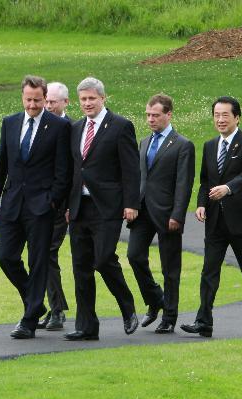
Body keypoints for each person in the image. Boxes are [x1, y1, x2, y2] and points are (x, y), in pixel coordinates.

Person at [0, 75, 71, 339]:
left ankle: (29, 320)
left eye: (37, 100)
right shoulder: (10, 123)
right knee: (7, 258)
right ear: (22, 97)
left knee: (38, 262)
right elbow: (2, 162)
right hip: (12, 204)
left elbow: (63, 171)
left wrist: (52, 200)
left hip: (41, 207)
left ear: (45, 99)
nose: (32, 105)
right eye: (28, 99)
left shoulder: (58, 126)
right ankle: (35, 302)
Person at [181, 97, 242, 338]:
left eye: (225, 115)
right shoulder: (209, 145)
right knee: (209, 271)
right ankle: (203, 321)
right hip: (216, 221)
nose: (220, 120)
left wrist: (228, 188)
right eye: (216, 115)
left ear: (237, 117)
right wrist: (200, 204)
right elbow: (205, 181)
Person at [64, 77, 140, 340]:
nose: (87, 103)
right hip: (79, 207)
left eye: (91, 98)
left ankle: (127, 307)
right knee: (81, 266)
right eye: (83, 99)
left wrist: (131, 204)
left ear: (103, 98)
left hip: (107, 207)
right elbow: (74, 169)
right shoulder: (75, 128)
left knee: (104, 258)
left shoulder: (120, 126)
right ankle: (86, 326)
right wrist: (67, 204)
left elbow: (131, 169)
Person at [127, 94, 195, 334]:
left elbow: (184, 184)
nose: (151, 119)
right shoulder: (144, 142)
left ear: (169, 114)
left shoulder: (182, 144)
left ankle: (169, 316)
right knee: (134, 255)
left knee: (170, 267)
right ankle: (156, 298)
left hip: (168, 213)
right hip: (143, 210)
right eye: (148, 115)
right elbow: (138, 176)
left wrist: (178, 215)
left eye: (155, 115)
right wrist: (131, 204)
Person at [37, 81, 72, 330]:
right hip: (40, 202)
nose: (48, 106)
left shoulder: (70, 128)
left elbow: (72, 170)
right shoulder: (39, 125)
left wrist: (68, 203)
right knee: (41, 254)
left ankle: (57, 310)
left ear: (64, 103)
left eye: (53, 102)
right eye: (46, 101)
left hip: (61, 204)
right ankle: (53, 308)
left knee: (47, 252)